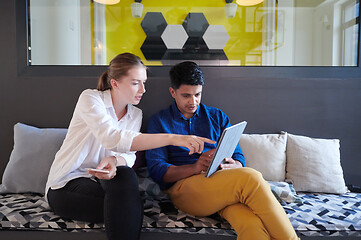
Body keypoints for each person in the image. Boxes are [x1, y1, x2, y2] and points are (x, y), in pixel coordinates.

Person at [45, 53, 214, 240]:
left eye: (144, 82)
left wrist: (114, 160)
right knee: (129, 207)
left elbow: (130, 155)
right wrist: (173, 138)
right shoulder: (90, 99)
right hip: (67, 184)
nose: (143, 89)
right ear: (115, 83)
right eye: (136, 83)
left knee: (125, 175)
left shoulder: (135, 114)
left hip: (104, 183)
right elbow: (112, 137)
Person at [145, 61, 300, 240]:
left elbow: (238, 154)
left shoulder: (217, 116)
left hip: (220, 185)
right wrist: (195, 168)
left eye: (197, 94)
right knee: (252, 177)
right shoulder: (159, 121)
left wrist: (236, 164)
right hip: (184, 189)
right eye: (186, 95)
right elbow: (157, 171)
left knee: (252, 225)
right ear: (173, 92)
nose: (193, 101)